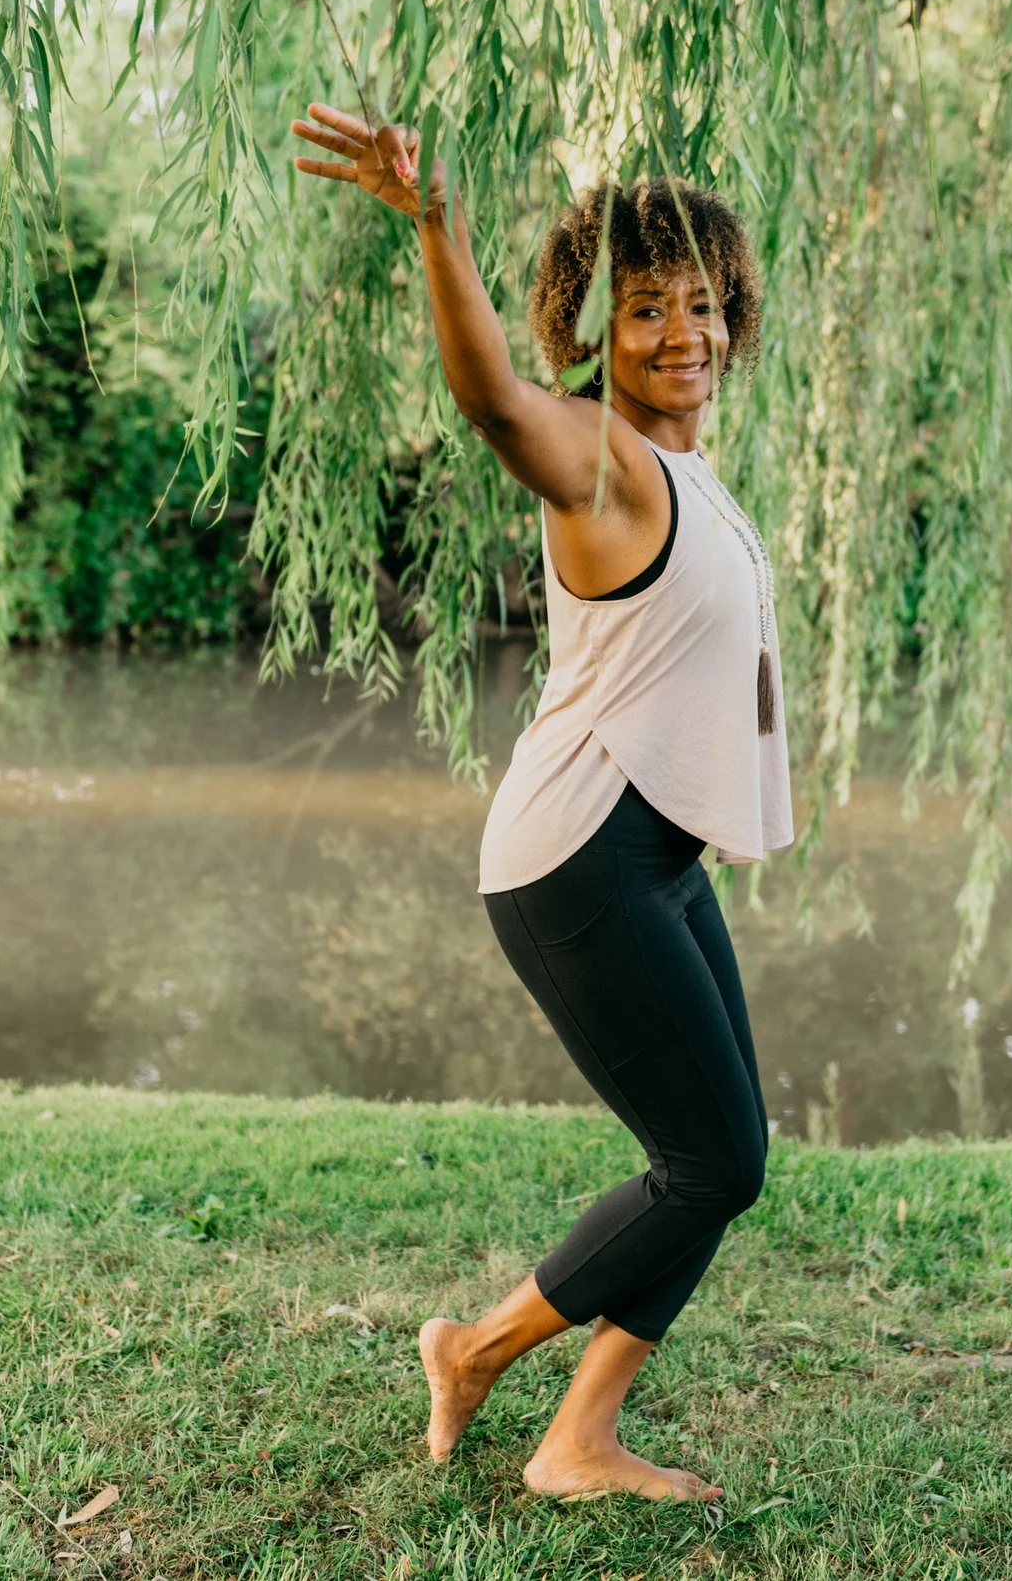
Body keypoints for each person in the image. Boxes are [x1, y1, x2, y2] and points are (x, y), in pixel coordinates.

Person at [291, 104, 793, 1502]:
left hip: (654, 859)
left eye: (701, 303)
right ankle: (475, 1349)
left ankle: (579, 1441)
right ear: (597, 326)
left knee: (723, 1150)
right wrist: (437, 228)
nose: (680, 332)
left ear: (733, 315)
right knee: (713, 1163)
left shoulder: (691, 470)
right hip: (578, 858)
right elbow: (494, 403)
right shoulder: (602, 459)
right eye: (644, 307)